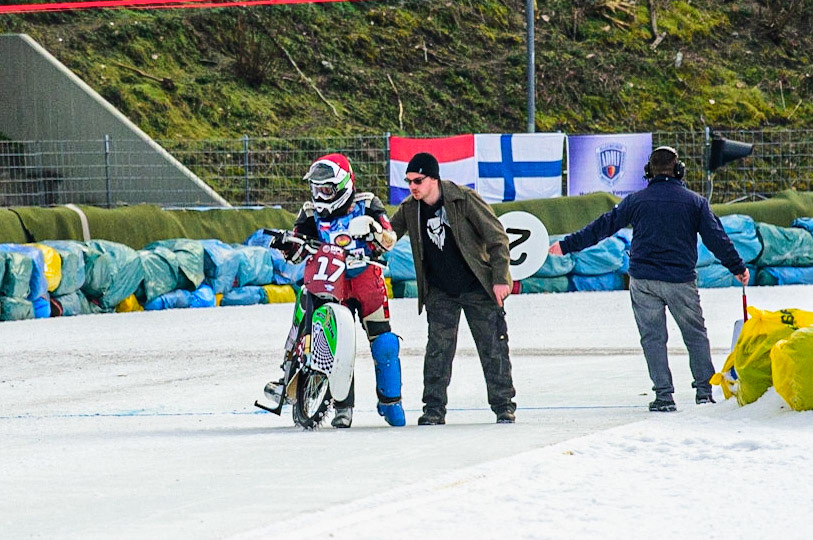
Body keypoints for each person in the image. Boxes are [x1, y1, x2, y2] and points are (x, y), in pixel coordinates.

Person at [549, 146, 749, 412]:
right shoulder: (695, 202)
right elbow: (716, 238)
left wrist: (567, 245)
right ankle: (703, 391)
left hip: (643, 281)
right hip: (680, 280)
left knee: (653, 338)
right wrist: (736, 266)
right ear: (679, 171)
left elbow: (602, 226)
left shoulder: (635, 201)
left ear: (648, 172)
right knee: (695, 335)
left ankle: (664, 396)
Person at [271, 153, 405, 428]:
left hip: (365, 277)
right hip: (330, 280)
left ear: (343, 186)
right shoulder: (310, 211)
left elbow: (390, 240)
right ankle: (341, 405)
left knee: (385, 343)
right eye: (316, 189)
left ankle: (392, 402)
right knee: (331, 338)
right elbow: (297, 247)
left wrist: (375, 231)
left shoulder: (367, 203)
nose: (320, 196)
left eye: (326, 189)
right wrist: (287, 244)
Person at [390, 152, 516, 425]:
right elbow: (389, 233)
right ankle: (434, 409)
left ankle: (503, 405)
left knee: (492, 346)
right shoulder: (411, 208)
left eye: (418, 181)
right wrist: (371, 237)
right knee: (438, 350)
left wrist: (500, 278)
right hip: (440, 290)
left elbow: (497, 237)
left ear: (434, 179)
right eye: (409, 181)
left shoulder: (463, 199)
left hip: (476, 285)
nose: (413, 186)